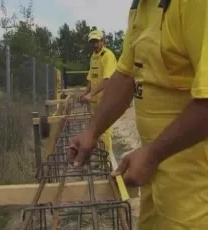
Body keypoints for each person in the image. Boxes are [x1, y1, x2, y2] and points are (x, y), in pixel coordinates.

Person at [68, 0, 208, 229]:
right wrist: (91, 132)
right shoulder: (141, 6)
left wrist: (153, 154)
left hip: (194, 190)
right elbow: (126, 76)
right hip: (156, 178)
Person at [79, 29, 117, 158]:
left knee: (105, 131)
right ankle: (101, 158)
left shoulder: (108, 55)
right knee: (96, 131)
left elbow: (107, 79)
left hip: (106, 100)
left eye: (96, 41)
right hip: (95, 101)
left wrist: (91, 94)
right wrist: (85, 92)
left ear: (102, 41)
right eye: (92, 42)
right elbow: (91, 77)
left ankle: (107, 161)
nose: (94, 44)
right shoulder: (93, 57)